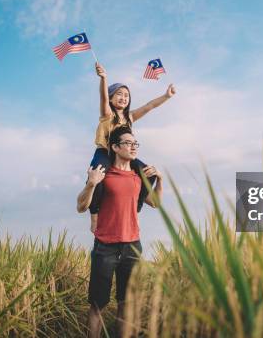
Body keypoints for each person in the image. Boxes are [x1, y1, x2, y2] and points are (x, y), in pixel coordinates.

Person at [77, 126, 163, 337]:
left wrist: (160, 179)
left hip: (133, 247)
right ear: (115, 147)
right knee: (98, 305)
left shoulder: (137, 177)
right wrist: (90, 184)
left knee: (126, 303)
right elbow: (81, 206)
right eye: (128, 143)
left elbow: (155, 202)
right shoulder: (102, 175)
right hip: (105, 247)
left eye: (136, 144)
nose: (133, 147)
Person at [88, 62, 174, 233]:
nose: (123, 98)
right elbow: (103, 97)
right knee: (97, 177)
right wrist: (104, 78)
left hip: (123, 153)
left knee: (148, 172)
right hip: (105, 152)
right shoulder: (107, 115)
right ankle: (94, 215)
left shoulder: (130, 117)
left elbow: (150, 106)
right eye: (119, 94)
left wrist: (166, 96)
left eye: (126, 95)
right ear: (111, 98)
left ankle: (136, 208)